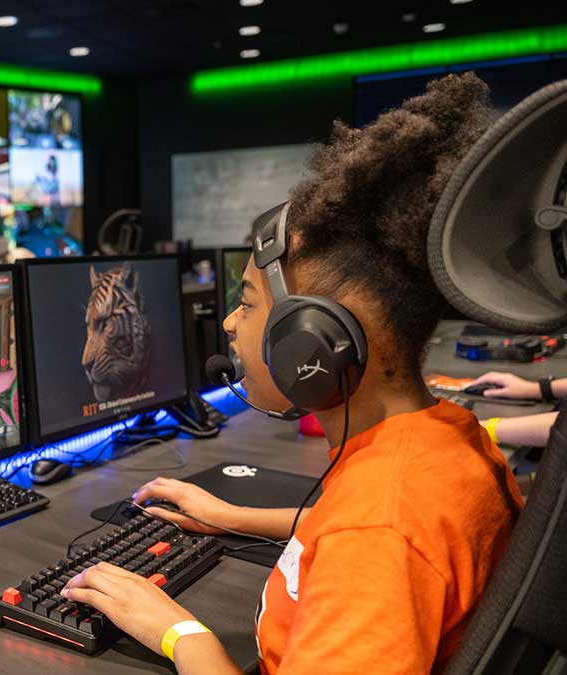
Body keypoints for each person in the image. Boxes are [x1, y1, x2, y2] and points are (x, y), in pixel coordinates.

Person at [63, 73, 525, 674]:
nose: (230, 322)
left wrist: (180, 635)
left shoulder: (378, 533)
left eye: (250, 303)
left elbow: (370, 536)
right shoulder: (448, 438)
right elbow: (346, 522)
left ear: (316, 337)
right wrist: (233, 518)